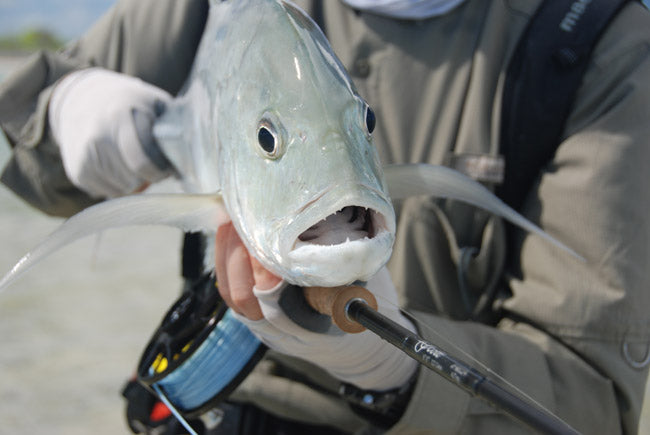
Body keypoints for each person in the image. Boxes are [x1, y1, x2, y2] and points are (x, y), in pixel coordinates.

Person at [1, 0, 650, 433]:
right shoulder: (197, 8)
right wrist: (62, 110)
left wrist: (394, 366)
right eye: (266, 140)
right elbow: (25, 121)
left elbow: (595, 401)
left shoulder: (599, 42)